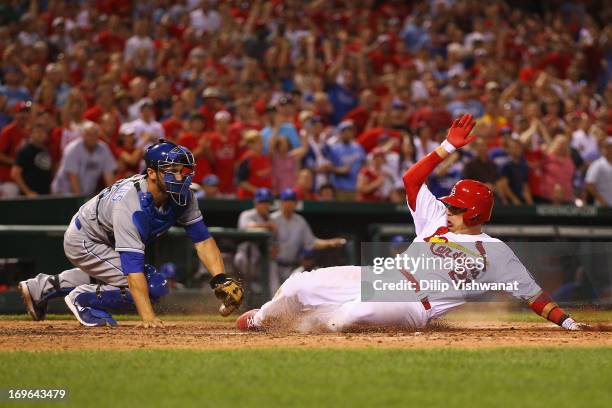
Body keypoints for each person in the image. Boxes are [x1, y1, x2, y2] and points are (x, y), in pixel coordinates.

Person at [236, 114, 589, 333]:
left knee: (352, 316)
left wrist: (568, 322)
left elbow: (533, 296)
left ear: (477, 215)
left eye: (457, 207)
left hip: (412, 305)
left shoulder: (495, 253)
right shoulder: (436, 218)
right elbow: (411, 180)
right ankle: (264, 319)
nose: (449, 209)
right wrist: (446, 147)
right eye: (450, 203)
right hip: (383, 277)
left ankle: (302, 327)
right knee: (301, 285)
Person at [19, 140, 243, 327]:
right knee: (153, 285)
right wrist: (148, 317)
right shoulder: (132, 204)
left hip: (104, 239)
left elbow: (202, 240)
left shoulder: (184, 197)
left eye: (182, 171)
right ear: (151, 173)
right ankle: (83, 299)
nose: (179, 177)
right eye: (171, 171)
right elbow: (132, 266)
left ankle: (41, 288)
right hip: (87, 239)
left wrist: (220, 279)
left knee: (116, 274)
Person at [269, 188, 346, 294]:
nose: (289, 203)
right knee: (273, 296)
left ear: (296, 203)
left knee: (293, 295)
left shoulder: (300, 221)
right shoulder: (272, 219)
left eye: (292, 201)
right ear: (281, 202)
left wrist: (330, 242)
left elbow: (311, 242)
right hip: (274, 265)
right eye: (286, 200)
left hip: (292, 266)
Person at [51, 122, 117, 197]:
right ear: (82, 135)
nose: (92, 137)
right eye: (89, 134)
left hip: (86, 194)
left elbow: (109, 176)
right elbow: (72, 177)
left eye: (95, 134)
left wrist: (112, 196)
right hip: (63, 193)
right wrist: (80, 199)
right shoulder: (72, 149)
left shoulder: (103, 149)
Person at [11, 122, 52, 196]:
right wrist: (27, 192)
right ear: (31, 134)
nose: (40, 135)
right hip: (30, 197)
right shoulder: (25, 151)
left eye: (43, 132)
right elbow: (15, 174)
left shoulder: (45, 150)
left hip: (45, 194)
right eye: (37, 132)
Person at [585, 137, 612, 207]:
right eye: (607, 148)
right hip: (602, 207)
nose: (610, 150)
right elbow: (589, 184)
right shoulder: (597, 164)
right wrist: (602, 200)